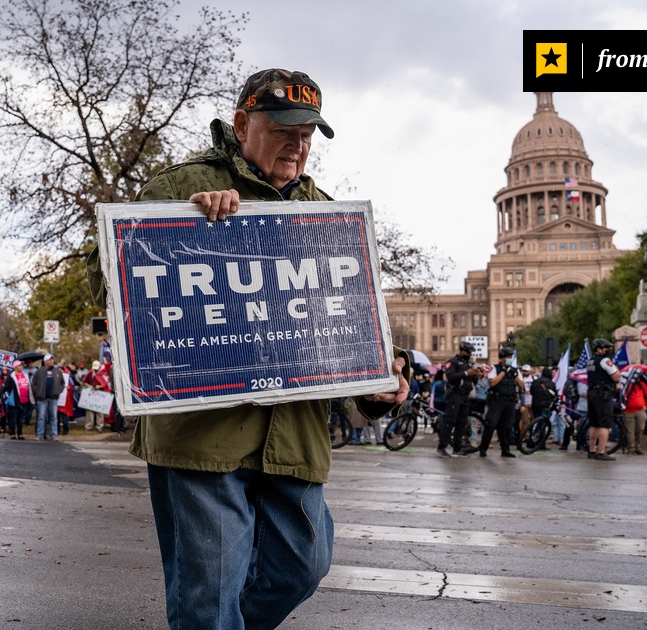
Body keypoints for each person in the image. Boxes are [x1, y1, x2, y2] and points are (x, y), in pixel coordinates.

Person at [92, 68, 411, 629]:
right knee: (210, 595)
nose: (298, 143)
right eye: (285, 127)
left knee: (302, 566)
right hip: (202, 434)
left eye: (309, 133)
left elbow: (332, 333)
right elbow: (114, 288)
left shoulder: (327, 215)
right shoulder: (180, 187)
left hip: (295, 432)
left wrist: (374, 390)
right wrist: (187, 228)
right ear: (242, 124)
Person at [476, 347, 523, 458]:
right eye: (507, 357)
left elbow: (522, 386)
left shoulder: (515, 370)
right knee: (491, 424)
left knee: (506, 426)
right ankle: (483, 449)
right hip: (497, 400)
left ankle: (505, 450)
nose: (509, 359)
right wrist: (503, 373)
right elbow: (492, 383)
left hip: (510, 401)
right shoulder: (494, 368)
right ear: (501, 358)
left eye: (511, 357)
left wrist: (515, 376)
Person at [439, 341, 482, 457]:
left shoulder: (469, 364)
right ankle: (442, 447)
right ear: (461, 350)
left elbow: (472, 381)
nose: (469, 354)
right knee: (450, 421)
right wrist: (466, 373)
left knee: (461, 423)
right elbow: (450, 376)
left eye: (470, 352)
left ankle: (457, 448)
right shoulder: (452, 362)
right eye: (468, 351)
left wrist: (476, 375)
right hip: (454, 395)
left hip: (465, 396)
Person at [585, 338, 621, 460]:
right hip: (603, 394)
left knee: (594, 423)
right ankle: (601, 451)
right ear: (599, 349)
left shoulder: (590, 361)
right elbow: (616, 377)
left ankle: (591, 450)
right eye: (605, 348)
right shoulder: (605, 360)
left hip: (592, 393)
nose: (607, 350)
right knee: (604, 424)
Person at [619, 366, 647, 454]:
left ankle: (637, 446)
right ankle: (631, 448)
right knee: (630, 431)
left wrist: (646, 405)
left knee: (640, 429)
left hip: (640, 410)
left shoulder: (642, 385)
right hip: (628, 411)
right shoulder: (625, 385)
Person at [31, 354, 64, 441]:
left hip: (53, 397)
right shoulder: (39, 372)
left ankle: (53, 435)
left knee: (54, 417)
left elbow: (62, 382)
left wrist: (58, 391)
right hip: (42, 398)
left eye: (52, 359)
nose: (51, 361)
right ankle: (40, 434)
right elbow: (34, 383)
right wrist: (37, 392)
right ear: (45, 361)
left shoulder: (57, 371)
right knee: (41, 416)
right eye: (49, 360)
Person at [1, 360, 33, 440]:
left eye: (22, 365)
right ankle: (12, 433)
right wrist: (8, 398)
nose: (21, 367)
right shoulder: (11, 377)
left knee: (21, 418)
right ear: (15, 367)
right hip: (14, 401)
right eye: (19, 365)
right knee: (13, 417)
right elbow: (6, 389)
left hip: (25, 400)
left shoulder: (25, 375)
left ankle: (20, 433)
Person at [529, 367, 558, 448]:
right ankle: (541, 443)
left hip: (535, 405)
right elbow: (554, 395)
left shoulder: (535, 382)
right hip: (545, 406)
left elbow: (531, 392)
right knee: (543, 424)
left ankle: (532, 440)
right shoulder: (551, 383)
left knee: (535, 422)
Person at [82, 360, 110, 432]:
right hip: (91, 393)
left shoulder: (103, 373)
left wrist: (99, 386)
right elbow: (84, 381)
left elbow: (106, 383)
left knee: (99, 411)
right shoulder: (90, 373)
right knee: (89, 411)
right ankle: (88, 426)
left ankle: (99, 426)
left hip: (100, 394)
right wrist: (89, 386)